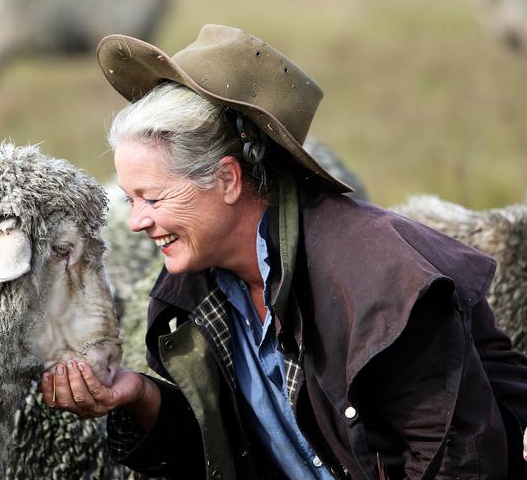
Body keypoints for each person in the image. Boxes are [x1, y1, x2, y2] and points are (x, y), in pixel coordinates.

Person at [41, 24, 527, 479]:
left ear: (228, 179)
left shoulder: (379, 281)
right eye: (130, 199)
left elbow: (463, 459)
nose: (136, 221)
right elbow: (238, 453)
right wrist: (141, 396)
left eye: (153, 197)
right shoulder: (195, 285)